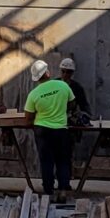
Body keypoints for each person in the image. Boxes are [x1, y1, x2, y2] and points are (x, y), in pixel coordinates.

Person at [23, 56, 78, 201]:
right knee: (63, 161)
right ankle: (63, 190)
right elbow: (72, 104)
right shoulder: (63, 86)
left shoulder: (33, 94)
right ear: (47, 73)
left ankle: (48, 192)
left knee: (46, 161)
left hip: (43, 131)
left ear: (37, 78)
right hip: (61, 130)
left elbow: (28, 119)